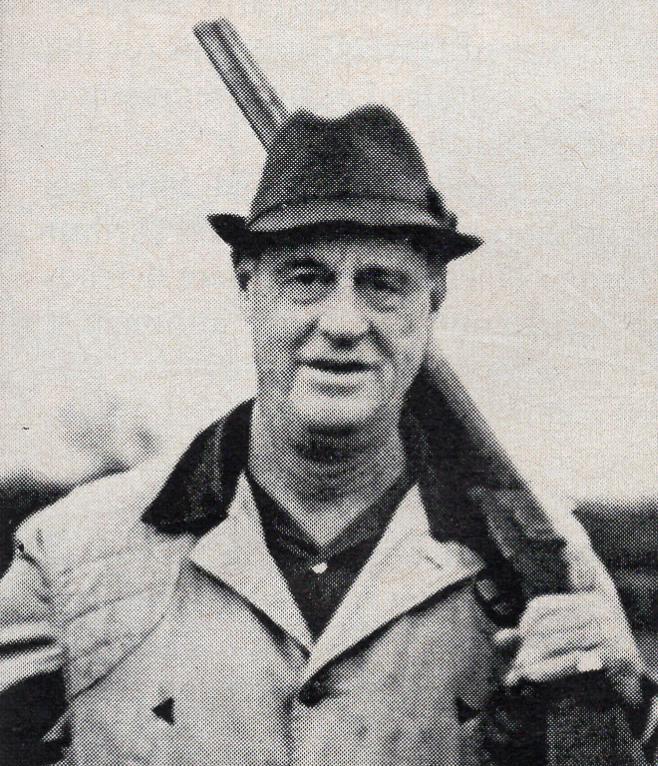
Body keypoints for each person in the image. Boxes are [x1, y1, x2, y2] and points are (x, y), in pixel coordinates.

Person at [1, 106, 655, 765]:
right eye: (307, 279)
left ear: (434, 299)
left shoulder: (539, 550)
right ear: (247, 290)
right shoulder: (75, 556)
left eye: (382, 284)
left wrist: (638, 708)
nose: (343, 321)